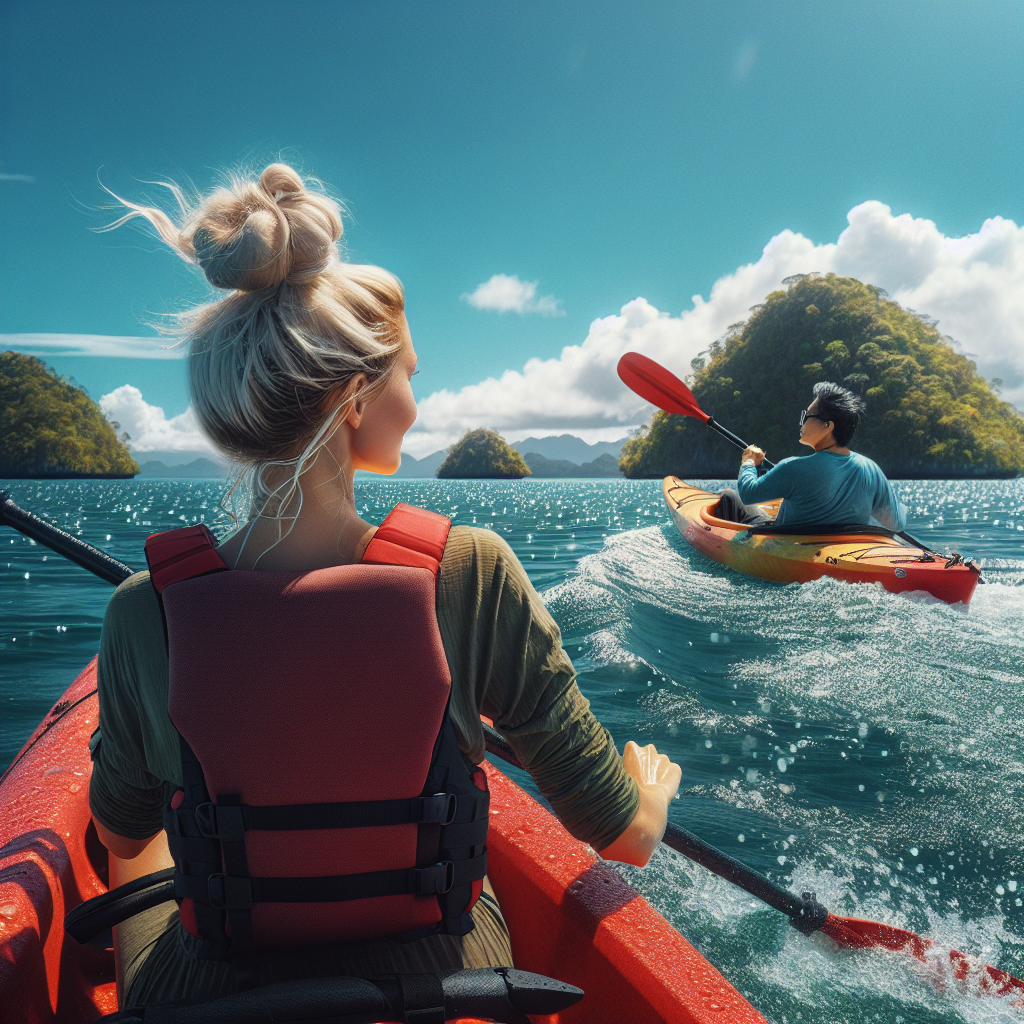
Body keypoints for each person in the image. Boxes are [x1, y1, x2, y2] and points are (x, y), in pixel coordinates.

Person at [88, 163, 682, 1010]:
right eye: (410, 373)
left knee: (134, 858)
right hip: (446, 983)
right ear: (356, 397)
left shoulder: (143, 610)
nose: (417, 398)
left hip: (217, 993)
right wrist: (652, 797)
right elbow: (619, 835)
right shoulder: (471, 572)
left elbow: (122, 825)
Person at [715, 382, 906, 531]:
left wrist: (748, 461)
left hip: (792, 543)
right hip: (846, 546)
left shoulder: (792, 467)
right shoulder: (871, 468)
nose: (802, 422)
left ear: (827, 426)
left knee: (730, 496)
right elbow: (896, 524)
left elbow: (748, 494)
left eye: (807, 416)